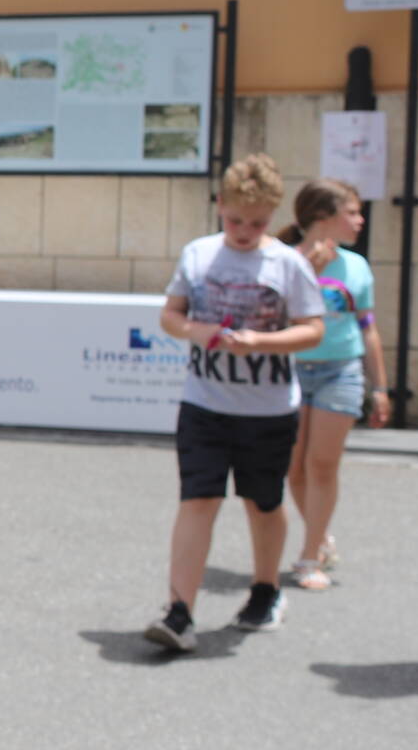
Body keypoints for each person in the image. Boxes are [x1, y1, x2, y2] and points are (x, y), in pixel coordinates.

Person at [143, 153, 327, 652]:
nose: (244, 231)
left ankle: (265, 591)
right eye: (235, 220)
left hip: (267, 410)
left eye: (257, 223)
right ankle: (180, 611)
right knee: (197, 498)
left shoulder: (286, 263)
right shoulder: (198, 255)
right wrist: (196, 331)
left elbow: (313, 329)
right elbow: (170, 316)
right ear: (219, 205)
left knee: (263, 502)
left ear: (272, 216)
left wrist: (262, 343)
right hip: (204, 404)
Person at [278, 178, 389, 590]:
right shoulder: (283, 259)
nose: (360, 221)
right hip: (289, 370)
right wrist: (310, 271)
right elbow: (274, 317)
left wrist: (380, 388)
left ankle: (309, 557)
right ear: (323, 217)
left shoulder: (357, 266)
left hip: (340, 371)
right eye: (352, 212)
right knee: (294, 468)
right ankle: (320, 535)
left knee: (321, 465)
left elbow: (368, 329)